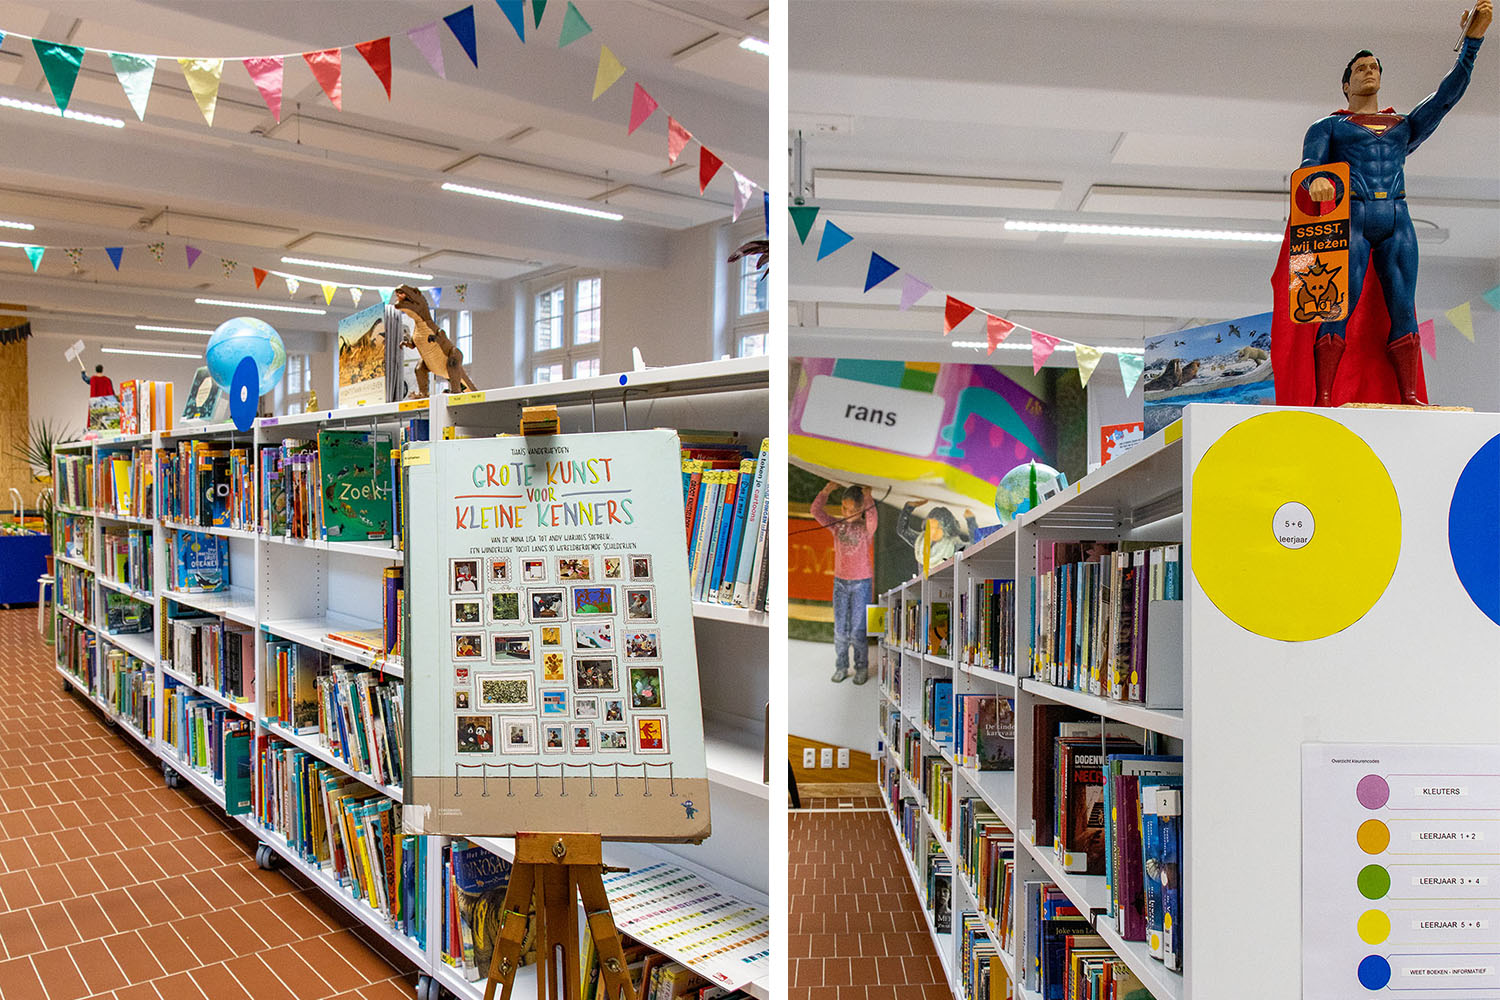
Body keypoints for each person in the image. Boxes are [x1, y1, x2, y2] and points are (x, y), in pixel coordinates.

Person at [1301, 3, 1489, 405]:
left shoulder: (1402, 125)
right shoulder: (1328, 126)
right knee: (1335, 305)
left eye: (1374, 67)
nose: (1369, 71)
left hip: (1397, 218)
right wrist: (1317, 179)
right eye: (1360, 69)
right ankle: (1323, 398)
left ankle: (1409, 396)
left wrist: (1472, 43)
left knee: (1404, 306)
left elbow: (1444, 99)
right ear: (1346, 84)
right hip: (1351, 218)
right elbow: (1308, 166)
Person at [811, 482, 878, 684]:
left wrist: (868, 497)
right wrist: (826, 490)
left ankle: (861, 667)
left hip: (861, 584)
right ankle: (841, 666)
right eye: (844, 508)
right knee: (840, 630)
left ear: (861, 509)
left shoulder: (866, 529)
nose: (847, 513)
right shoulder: (837, 526)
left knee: (858, 630)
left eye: (853, 509)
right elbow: (816, 511)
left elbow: (873, 520)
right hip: (840, 583)